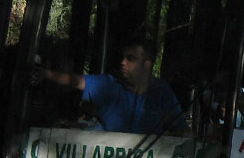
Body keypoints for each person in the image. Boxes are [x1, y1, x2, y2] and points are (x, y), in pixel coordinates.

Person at [34, 43, 187, 134]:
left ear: (147, 64)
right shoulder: (110, 84)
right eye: (123, 57)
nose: (123, 62)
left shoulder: (163, 92)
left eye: (130, 58)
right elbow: (75, 81)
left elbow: (183, 131)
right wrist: (47, 74)